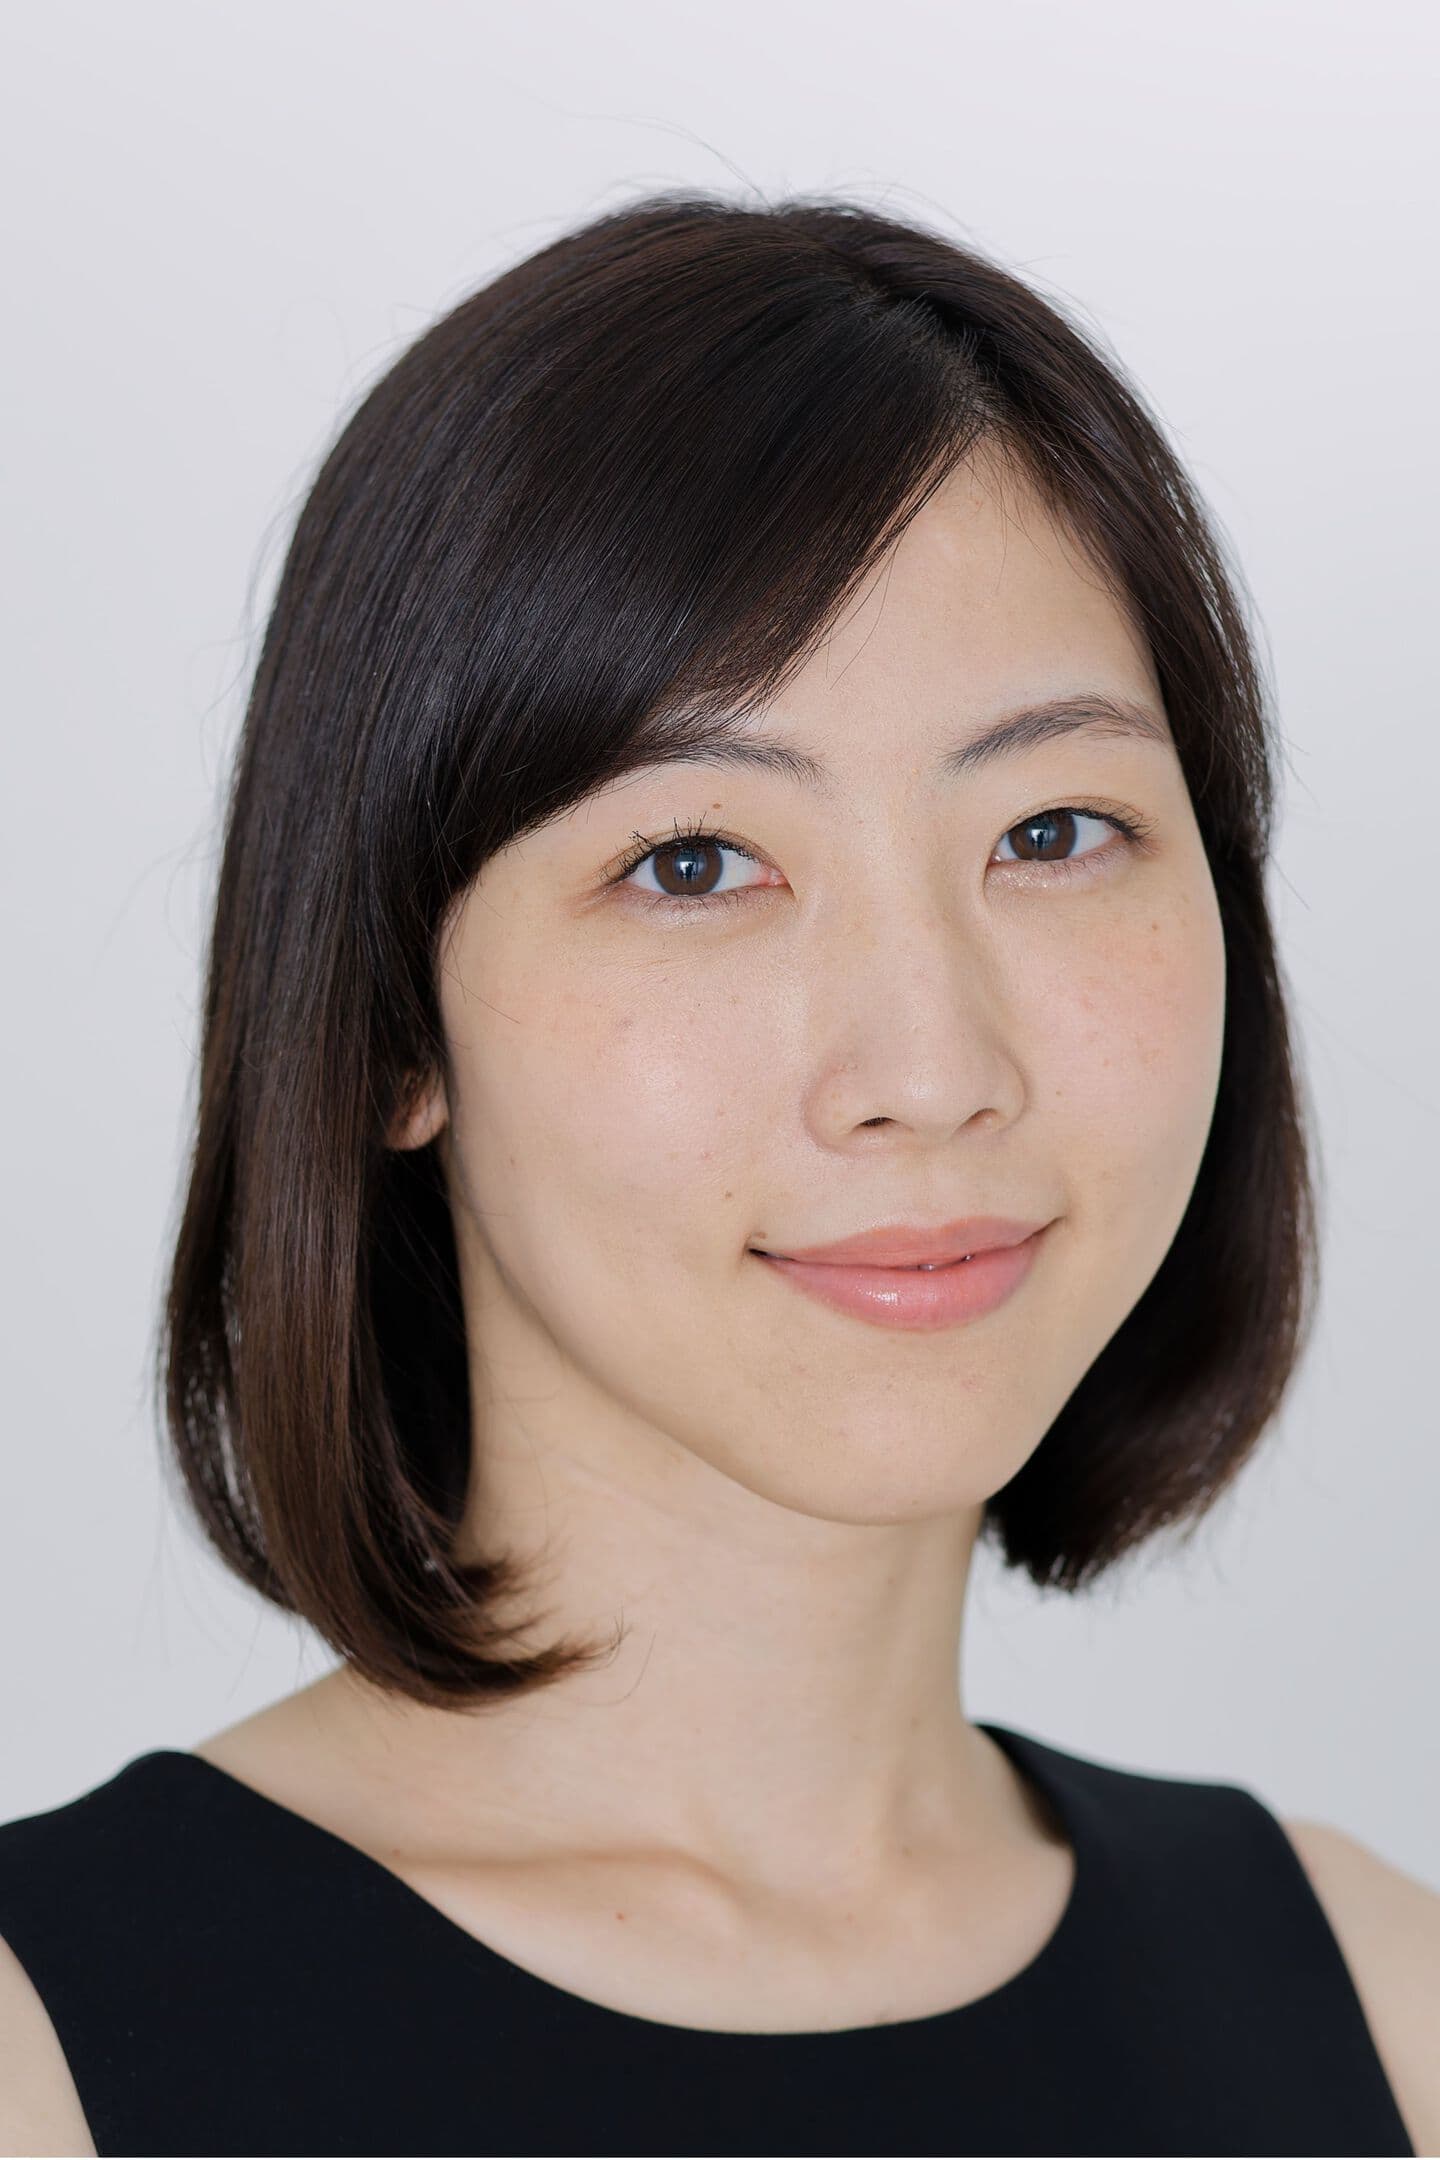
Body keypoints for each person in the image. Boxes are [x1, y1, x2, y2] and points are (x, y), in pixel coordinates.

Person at [0, 191, 1434, 2159]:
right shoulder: (47, 2056)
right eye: (695, 864)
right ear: (393, 1026)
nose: (930, 1072)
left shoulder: (1386, 2013)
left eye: (1054, 832)